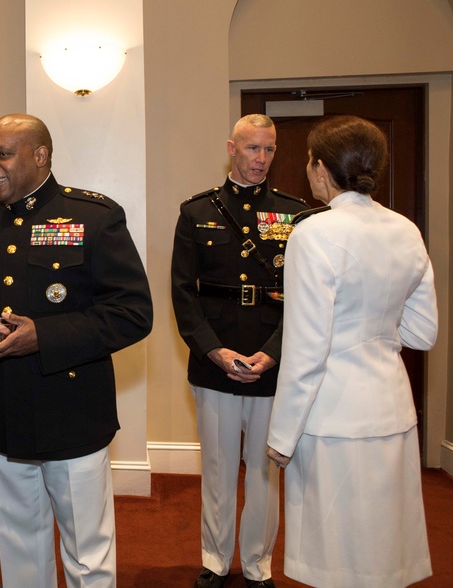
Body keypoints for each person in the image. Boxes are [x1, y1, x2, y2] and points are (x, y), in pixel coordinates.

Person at [0, 113, 153, 588]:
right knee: (19, 545)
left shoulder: (93, 217)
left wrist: (46, 336)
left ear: (40, 156)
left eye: (3, 154)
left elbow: (134, 312)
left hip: (73, 412)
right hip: (4, 412)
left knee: (87, 553)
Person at [266, 116, 438, 588]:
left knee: (336, 556)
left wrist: (281, 437)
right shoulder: (406, 229)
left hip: (333, 417)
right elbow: (423, 332)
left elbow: (306, 350)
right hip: (391, 409)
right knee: (383, 550)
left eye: (307, 161)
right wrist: (374, 332)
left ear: (321, 168)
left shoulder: (314, 233)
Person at [170, 113, 308, 588]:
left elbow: (307, 297)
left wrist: (273, 352)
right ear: (232, 148)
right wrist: (214, 352)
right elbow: (183, 294)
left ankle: (257, 564)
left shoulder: (296, 213)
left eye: (269, 150)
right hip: (217, 363)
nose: (262, 159)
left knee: (267, 472)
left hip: (273, 362)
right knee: (218, 468)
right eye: (253, 149)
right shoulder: (197, 212)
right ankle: (214, 559)